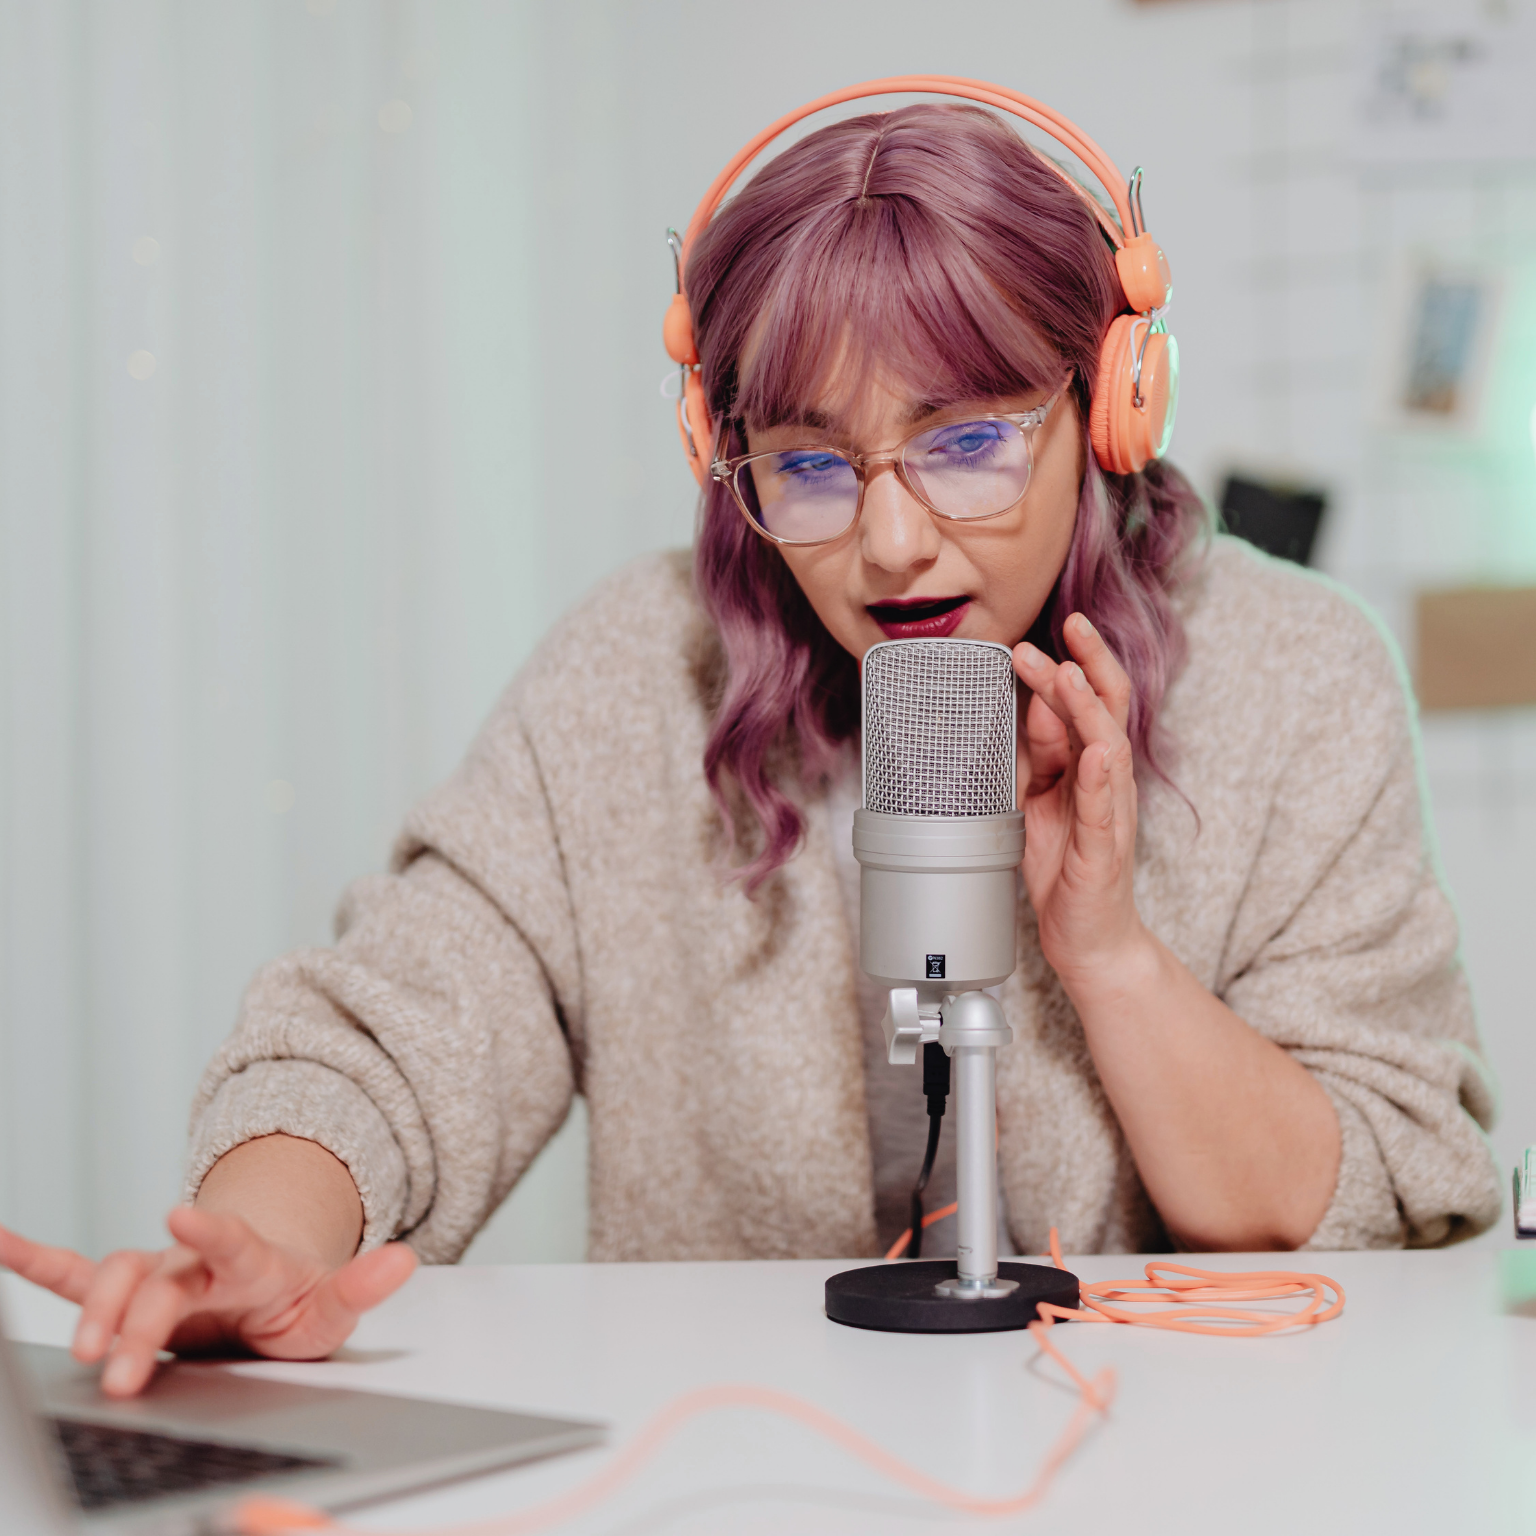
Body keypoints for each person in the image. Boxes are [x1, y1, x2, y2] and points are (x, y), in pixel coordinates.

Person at [0, 96, 1501, 1398]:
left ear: (1111, 406)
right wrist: (269, 1243)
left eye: (969, 439)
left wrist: (1107, 952)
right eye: (809, 465)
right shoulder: (638, 668)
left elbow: (1371, 1198)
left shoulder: (1298, 675)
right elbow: (393, 1033)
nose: (895, 544)